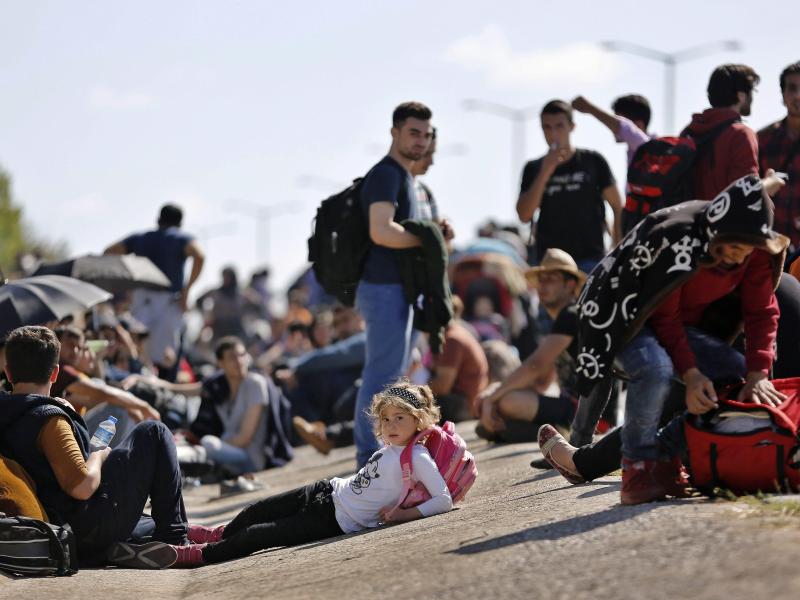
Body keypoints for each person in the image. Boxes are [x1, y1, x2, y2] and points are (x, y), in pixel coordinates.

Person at [565, 175, 788, 505]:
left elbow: (761, 310)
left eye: (747, 250)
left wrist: (758, 373)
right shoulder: (679, 240)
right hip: (624, 314)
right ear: (717, 231)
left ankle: (666, 456)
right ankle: (637, 468)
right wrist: (692, 373)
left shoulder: (753, 249)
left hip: (674, 323)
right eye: (734, 248)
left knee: (732, 371)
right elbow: (663, 317)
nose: (740, 258)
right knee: (654, 367)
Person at [175, 382, 453, 566]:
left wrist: (403, 515)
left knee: (256, 536)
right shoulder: (391, 446)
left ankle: (201, 555)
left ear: (419, 420)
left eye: (399, 418)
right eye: (386, 419)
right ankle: (216, 535)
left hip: (334, 519)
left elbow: (443, 499)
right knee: (254, 511)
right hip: (327, 490)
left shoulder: (417, 456)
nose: (390, 425)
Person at [0, 326, 205, 569]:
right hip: (82, 530)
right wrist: (98, 451)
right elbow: (82, 487)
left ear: (8, 372)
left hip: (57, 523)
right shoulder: (49, 421)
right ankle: (174, 539)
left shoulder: (10, 412)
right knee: (153, 432)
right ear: (55, 374)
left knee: (143, 514)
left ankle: (136, 542)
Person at [353, 102, 433, 467]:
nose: (421, 141)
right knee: (381, 378)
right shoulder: (387, 174)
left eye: (426, 135)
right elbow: (380, 230)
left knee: (392, 375)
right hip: (383, 287)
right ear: (394, 132)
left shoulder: (407, 177)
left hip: (398, 288)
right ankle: (369, 458)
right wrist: (426, 240)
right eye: (414, 133)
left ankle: (383, 455)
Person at [476, 248, 584, 443]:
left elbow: (536, 364)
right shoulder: (560, 318)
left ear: (570, 285)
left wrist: (494, 398)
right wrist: (495, 390)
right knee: (501, 396)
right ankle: (522, 430)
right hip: (573, 406)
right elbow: (542, 383)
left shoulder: (571, 314)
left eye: (551, 279)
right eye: (541, 280)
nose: (543, 285)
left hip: (588, 411)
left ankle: (539, 431)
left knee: (508, 402)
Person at [517, 99, 623, 273]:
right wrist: (546, 171)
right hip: (551, 263)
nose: (553, 133)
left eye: (559, 126)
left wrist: (617, 250)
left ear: (571, 127)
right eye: (547, 128)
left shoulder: (593, 161)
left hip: (590, 260)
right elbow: (524, 214)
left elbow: (618, 206)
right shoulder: (534, 168)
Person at [105, 204, 205, 377]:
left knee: (137, 348)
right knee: (166, 357)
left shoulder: (141, 238)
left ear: (159, 219)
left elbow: (109, 252)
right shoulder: (179, 237)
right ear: (180, 222)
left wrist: (126, 285)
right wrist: (187, 290)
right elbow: (199, 255)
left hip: (141, 299)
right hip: (168, 302)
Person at [192, 337, 269, 476]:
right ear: (221, 363)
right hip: (228, 452)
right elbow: (195, 389)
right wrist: (160, 384)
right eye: (232, 357)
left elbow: (245, 437)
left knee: (208, 444)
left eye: (242, 355)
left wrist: (219, 444)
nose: (239, 361)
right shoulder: (220, 387)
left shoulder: (255, 383)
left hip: (250, 458)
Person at [683, 64, 761, 200]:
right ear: (741, 96)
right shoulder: (741, 135)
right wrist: (772, 182)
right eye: (752, 91)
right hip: (724, 220)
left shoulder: (689, 131)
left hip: (688, 219)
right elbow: (745, 194)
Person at [758, 61, 800, 252]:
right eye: (792, 88)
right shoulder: (763, 139)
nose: (798, 95)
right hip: (772, 247)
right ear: (783, 95)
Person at [427, 296, 489, 423]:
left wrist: (413, 390)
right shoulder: (456, 333)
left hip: (463, 406)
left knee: (412, 404)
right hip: (468, 402)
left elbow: (443, 386)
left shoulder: (452, 339)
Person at [571, 94, 653, 164]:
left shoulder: (650, 150)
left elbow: (623, 127)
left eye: (615, 121)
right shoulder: (635, 151)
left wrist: (589, 108)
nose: (612, 129)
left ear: (638, 126)